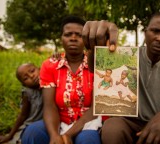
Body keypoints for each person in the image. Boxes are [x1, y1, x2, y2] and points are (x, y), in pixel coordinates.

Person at [88, 11, 160, 144]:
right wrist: (93, 46)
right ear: (145, 32)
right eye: (155, 31)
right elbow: (94, 66)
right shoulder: (126, 56)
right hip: (128, 122)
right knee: (113, 127)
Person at [21, 15, 103, 144]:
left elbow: (95, 108)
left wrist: (67, 136)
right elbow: (49, 106)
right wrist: (54, 135)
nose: (73, 38)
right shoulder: (50, 65)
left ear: (86, 39)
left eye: (79, 35)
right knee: (32, 132)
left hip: (88, 123)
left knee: (88, 141)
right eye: (68, 34)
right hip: (59, 121)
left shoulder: (97, 65)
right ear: (61, 38)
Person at [0, 63, 42, 144]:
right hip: (31, 125)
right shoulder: (28, 93)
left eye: (32, 71)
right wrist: (10, 135)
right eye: (26, 78)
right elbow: (23, 115)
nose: (32, 76)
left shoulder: (51, 83)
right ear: (24, 84)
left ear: (40, 68)